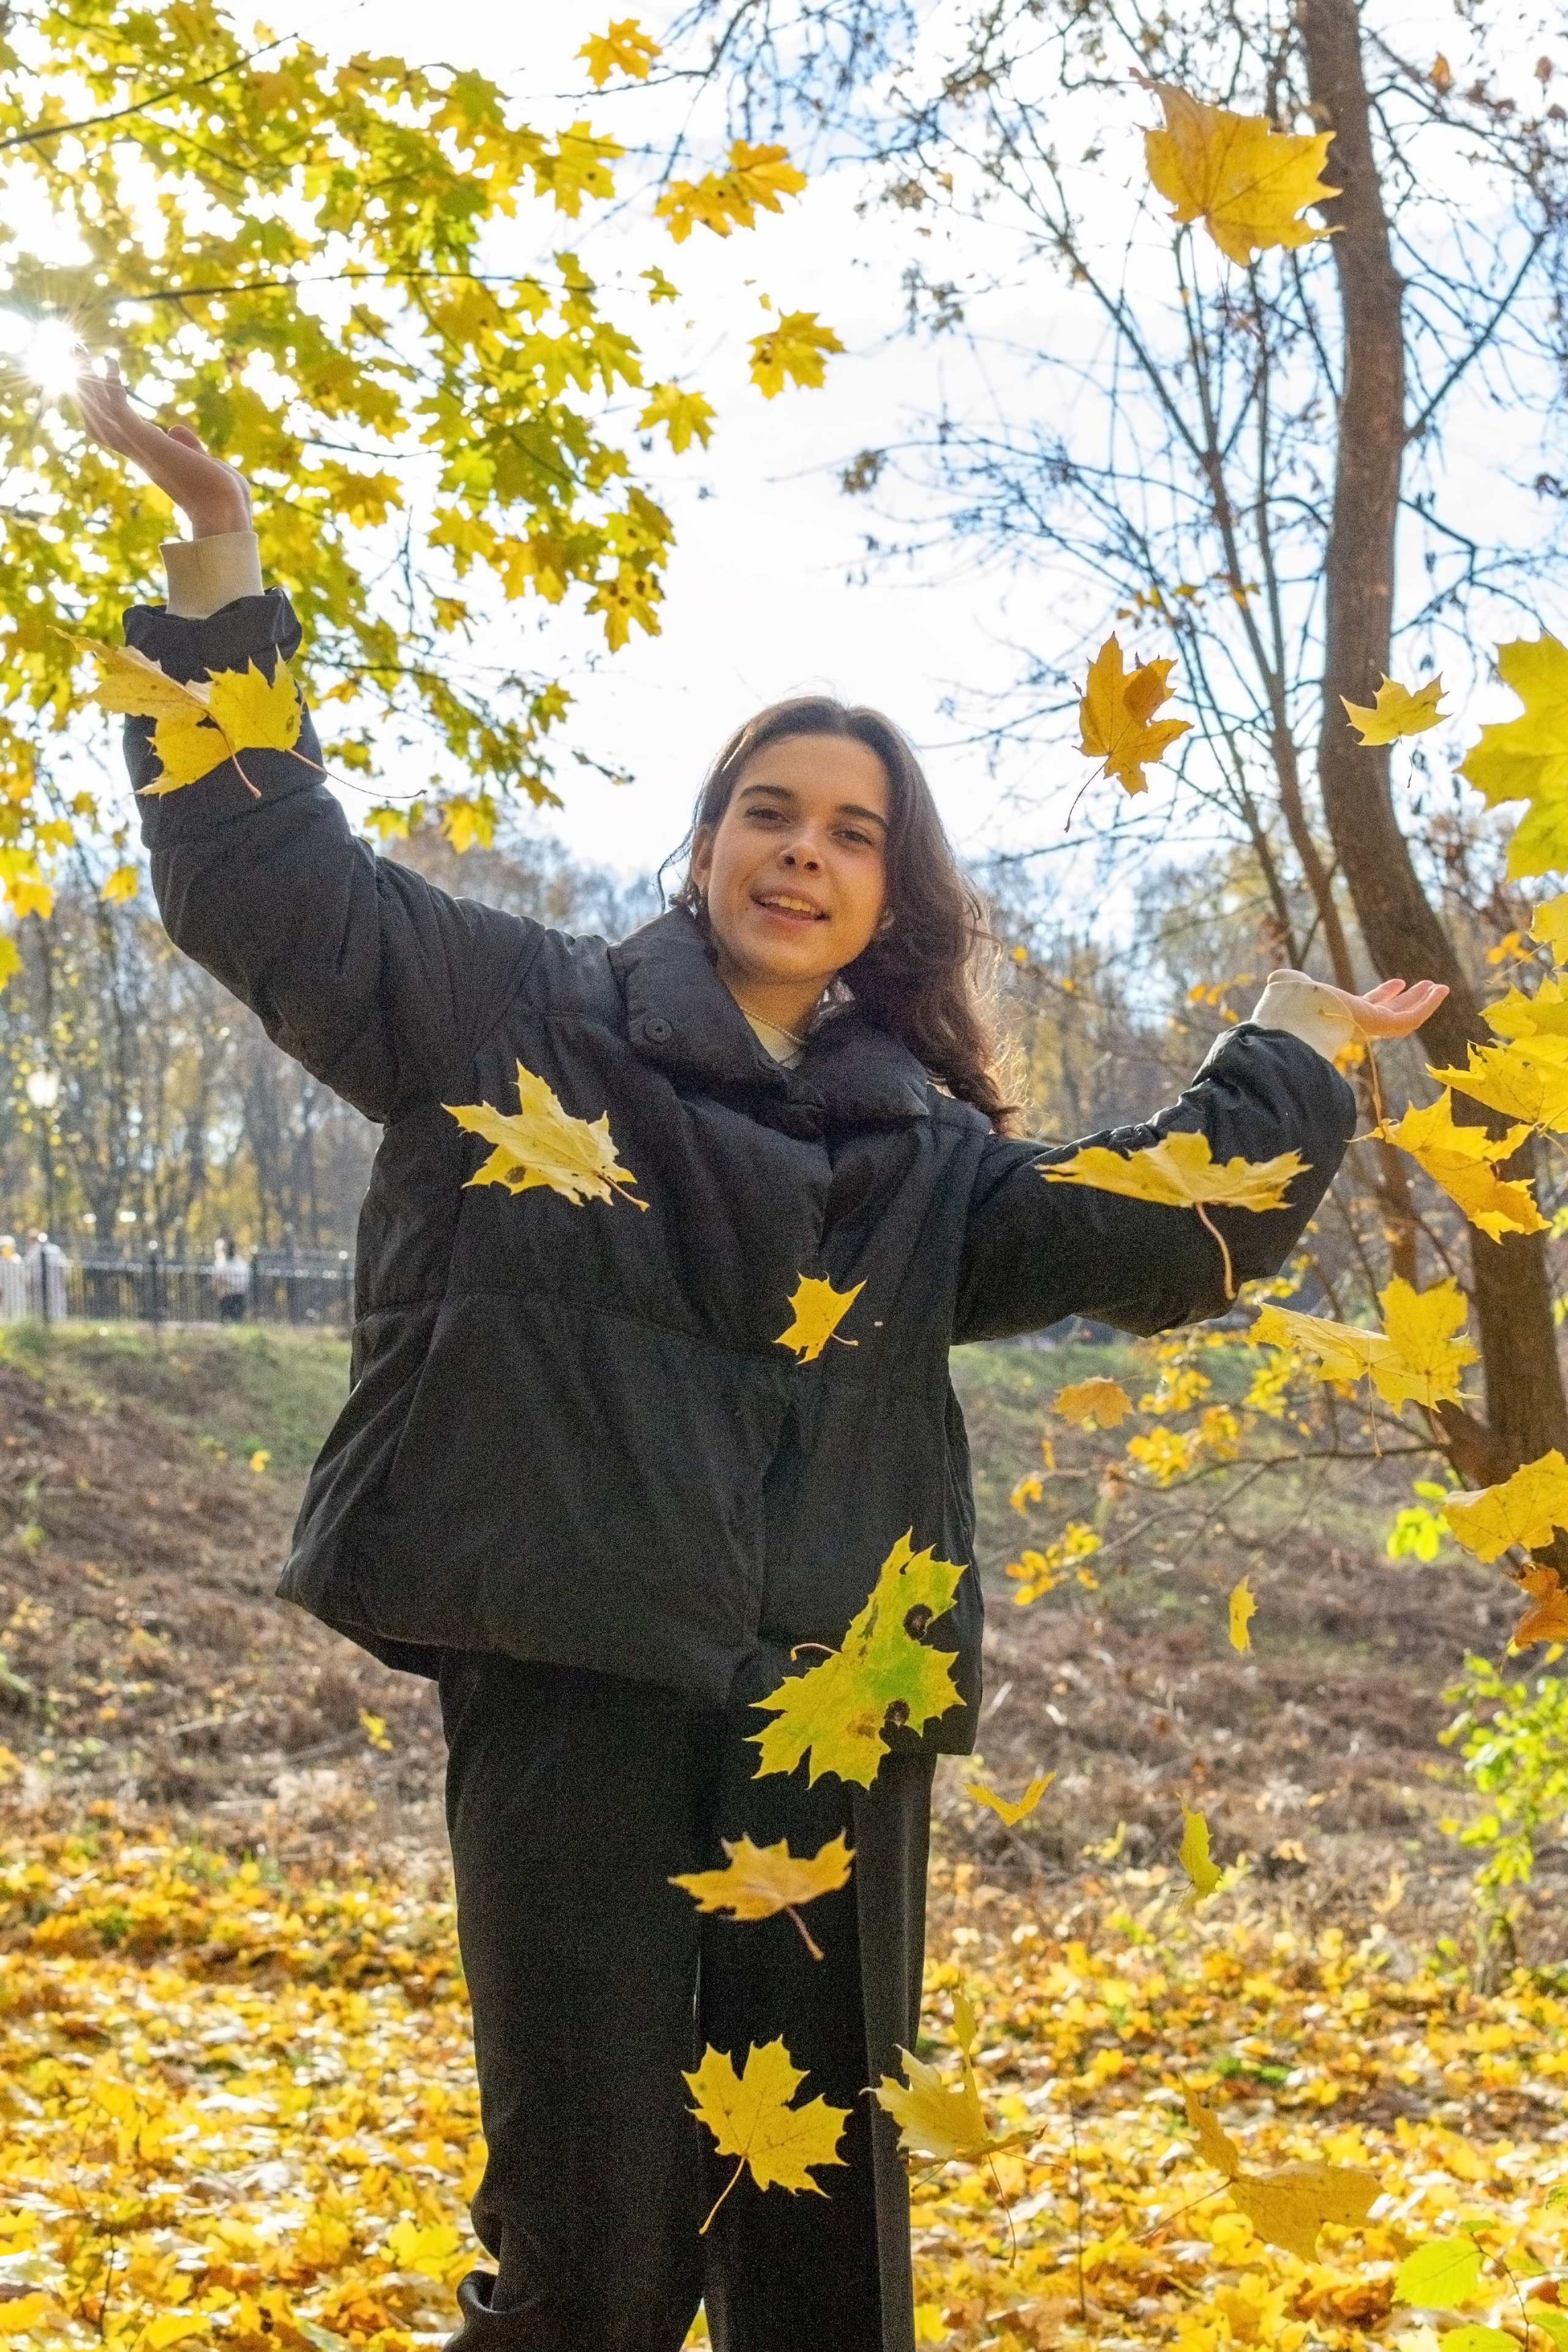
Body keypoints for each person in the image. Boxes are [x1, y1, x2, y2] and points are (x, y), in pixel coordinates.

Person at [74, 354, 1447, 2352]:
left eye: (854, 831)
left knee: (817, 2238)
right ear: (708, 842)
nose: (805, 850)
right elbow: (263, 876)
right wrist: (219, 559)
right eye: (769, 811)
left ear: (894, 894)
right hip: (581, 1677)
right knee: (595, 2244)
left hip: (834, 1713)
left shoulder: (928, 1162)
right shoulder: (518, 1019)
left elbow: (1161, 1235)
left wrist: (1299, 1048)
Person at [213, 1234, 249, 1322]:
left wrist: (221, 1292)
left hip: (228, 1295)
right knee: (236, 1319)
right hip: (239, 1294)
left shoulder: (222, 1263)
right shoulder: (242, 1264)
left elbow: (218, 1279)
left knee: (229, 1319)